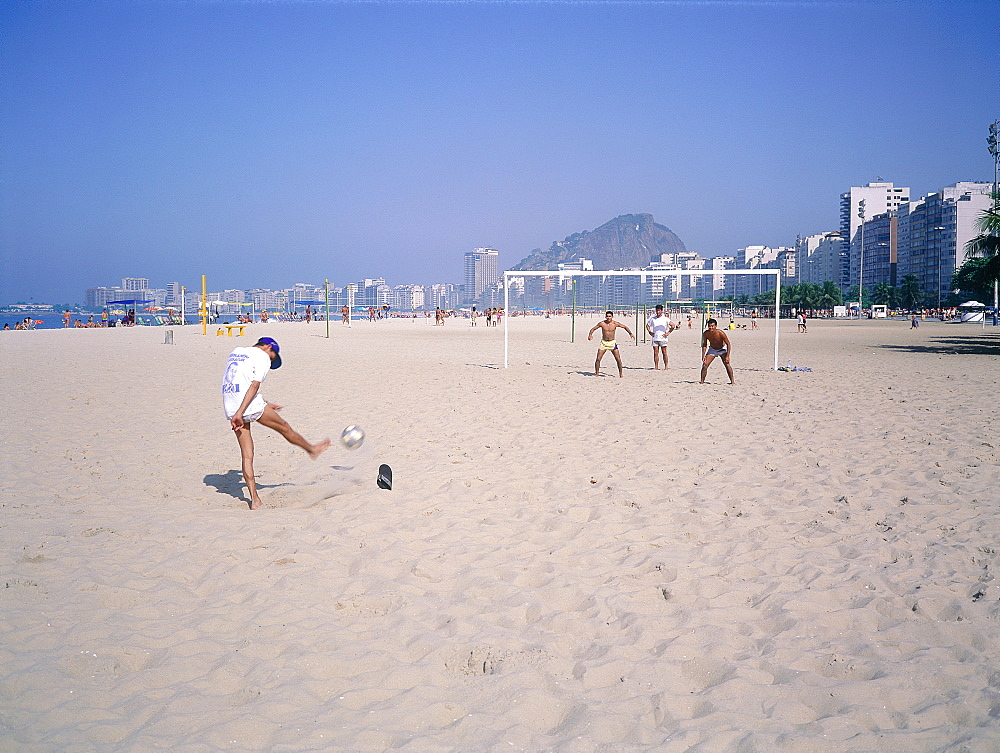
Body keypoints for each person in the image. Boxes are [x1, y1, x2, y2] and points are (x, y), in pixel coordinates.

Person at [222, 337, 330, 510]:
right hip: (243, 409)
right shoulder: (263, 356)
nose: (271, 360)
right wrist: (241, 413)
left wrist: (261, 405)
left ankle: (255, 500)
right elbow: (254, 385)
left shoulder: (236, 352)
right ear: (268, 347)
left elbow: (240, 382)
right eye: (272, 357)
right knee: (284, 428)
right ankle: (312, 449)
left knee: (247, 455)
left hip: (230, 406)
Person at [588, 311, 634, 377]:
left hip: (612, 343)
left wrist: (630, 333)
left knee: (618, 359)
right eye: (607, 316)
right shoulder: (602, 323)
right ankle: (597, 373)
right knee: (598, 359)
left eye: (610, 316)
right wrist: (590, 335)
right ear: (605, 316)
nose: (608, 318)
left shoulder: (615, 323)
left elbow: (625, 327)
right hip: (604, 343)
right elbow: (593, 329)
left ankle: (620, 373)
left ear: (612, 317)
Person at [700, 318, 735, 385]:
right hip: (712, 349)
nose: (711, 328)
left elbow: (728, 344)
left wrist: (727, 356)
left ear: (716, 326)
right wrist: (703, 355)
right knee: (705, 365)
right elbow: (704, 344)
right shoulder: (706, 333)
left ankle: (732, 381)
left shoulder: (721, 333)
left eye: (712, 326)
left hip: (722, 349)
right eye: (709, 326)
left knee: (727, 364)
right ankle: (702, 382)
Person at [645, 304, 676, 370]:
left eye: (659, 310)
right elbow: (647, 325)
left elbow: (673, 325)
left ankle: (666, 366)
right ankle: (656, 367)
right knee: (656, 353)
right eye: (657, 310)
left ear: (661, 311)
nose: (658, 312)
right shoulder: (653, 319)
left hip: (663, 338)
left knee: (664, 352)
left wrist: (668, 332)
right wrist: (650, 332)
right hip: (655, 338)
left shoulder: (665, 319)